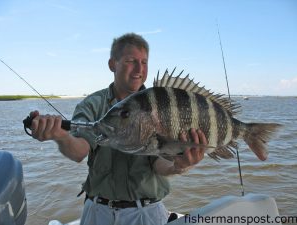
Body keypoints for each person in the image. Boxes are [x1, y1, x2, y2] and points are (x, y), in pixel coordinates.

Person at [30, 33, 207, 225]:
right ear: (112, 64)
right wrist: (60, 136)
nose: (139, 69)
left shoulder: (159, 106)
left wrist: (179, 165)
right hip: (98, 213)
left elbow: (159, 163)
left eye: (144, 62)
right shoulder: (93, 105)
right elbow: (79, 150)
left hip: (146, 213)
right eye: (131, 61)